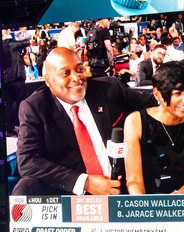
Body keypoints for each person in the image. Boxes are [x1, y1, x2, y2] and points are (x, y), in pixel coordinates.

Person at [14, 47, 155, 195]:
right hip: (72, 198)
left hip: (124, 188)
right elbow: (27, 161)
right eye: (65, 73)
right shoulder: (35, 107)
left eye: (79, 69)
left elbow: (154, 101)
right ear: (49, 81)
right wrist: (85, 182)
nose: (76, 78)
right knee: (25, 186)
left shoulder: (109, 88)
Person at [124, 62, 184, 194]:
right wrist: (143, 208)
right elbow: (134, 179)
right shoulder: (135, 121)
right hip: (145, 202)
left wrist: (170, 204)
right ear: (157, 94)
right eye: (178, 93)